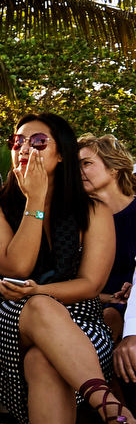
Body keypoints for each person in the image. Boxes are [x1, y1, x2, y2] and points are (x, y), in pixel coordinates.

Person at [0, 114, 136, 424]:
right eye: (18, 141)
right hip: (3, 320)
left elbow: (89, 283)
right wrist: (35, 202)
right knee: (40, 309)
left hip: (78, 324)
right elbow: (18, 266)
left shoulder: (93, 212)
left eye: (38, 141)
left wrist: (40, 293)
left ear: (61, 152)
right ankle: (107, 403)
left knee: (44, 358)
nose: (25, 148)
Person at [78, 134, 136, 333]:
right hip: (92, 309)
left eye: (86, 163)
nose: (79, 172)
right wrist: (109, 298)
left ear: (114, 168)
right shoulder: (78, 220)